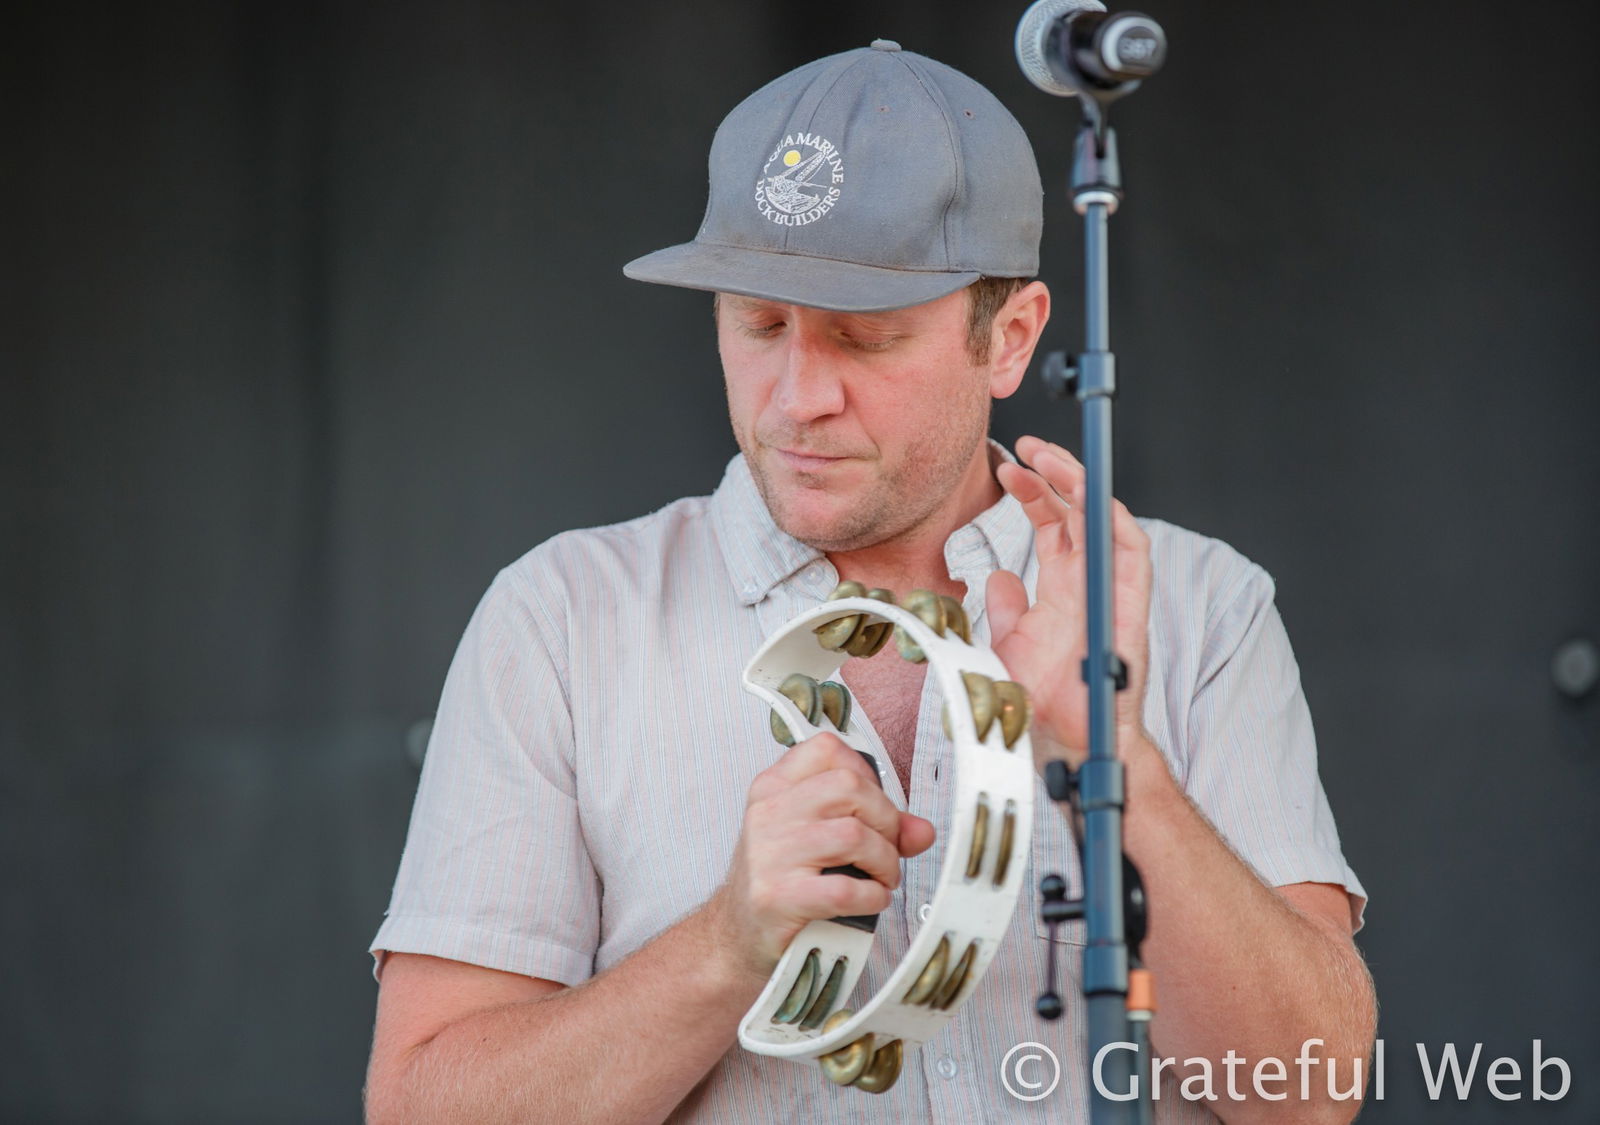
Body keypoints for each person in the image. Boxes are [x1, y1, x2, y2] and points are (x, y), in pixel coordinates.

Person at [363, 41, 1375, 1124]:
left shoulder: (1197, 603)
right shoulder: (562, 621)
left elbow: (1312, 1092)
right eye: (759, 324)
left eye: (865, 339)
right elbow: (422, 1108)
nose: (797, 396)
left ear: (1011, 338)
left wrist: (1115, 761)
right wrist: (725, 946)